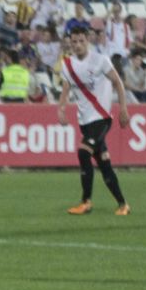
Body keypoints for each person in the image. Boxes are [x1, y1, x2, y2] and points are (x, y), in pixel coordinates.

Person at [57, 28, 132, 216]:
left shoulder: (100, 60)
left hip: (102, 118)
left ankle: (86, 201)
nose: (77, 45)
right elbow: (66, 89)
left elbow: (118, 83)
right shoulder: (67, 64)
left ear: (87, 41)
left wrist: (123, 108)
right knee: (104, 163)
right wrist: (61, 108)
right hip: (85, 121)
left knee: (83, 152)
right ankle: (123, 204)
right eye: (74, 42)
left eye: (81, 41)